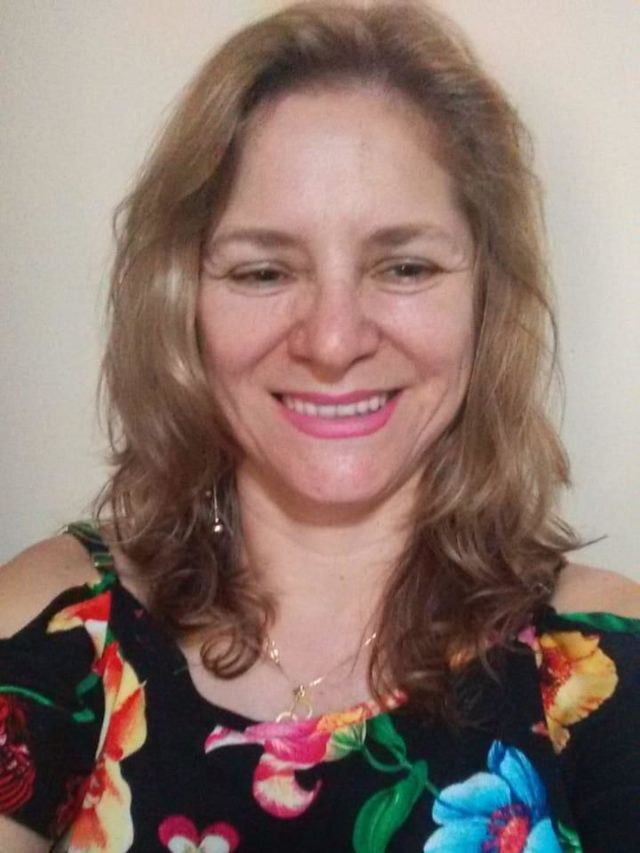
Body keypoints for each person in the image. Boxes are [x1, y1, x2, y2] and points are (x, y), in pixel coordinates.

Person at [1, 1, 638, 850]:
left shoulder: (604, 664)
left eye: (404, 266)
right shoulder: (52, 628)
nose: (333, 342)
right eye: (264, 271)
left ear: (486, 300)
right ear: (182, 302)